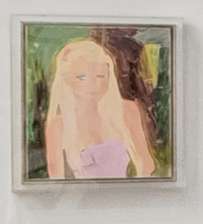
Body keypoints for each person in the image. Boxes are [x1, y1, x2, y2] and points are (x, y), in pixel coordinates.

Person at [40, 31, 159, 180]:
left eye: (100, 75)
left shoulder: (126, 110)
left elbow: (147, 164)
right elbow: (56, 179)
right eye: (82, 77)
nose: (94, 85)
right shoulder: (58, 125)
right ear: (66, 80)